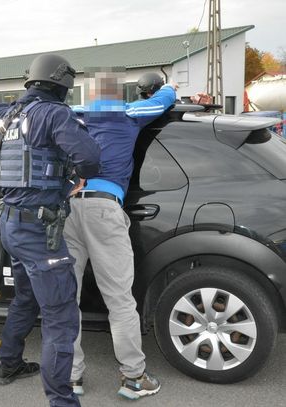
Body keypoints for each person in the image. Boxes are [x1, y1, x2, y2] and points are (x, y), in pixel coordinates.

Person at [0, 54, 100, 407]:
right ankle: (62, 402)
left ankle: (8, 364)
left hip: (12, 224)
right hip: (38, 232)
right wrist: (73, 175)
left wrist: (8, 108)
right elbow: (90, 158)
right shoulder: (55, 114)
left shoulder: (7, 116)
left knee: (25, 299)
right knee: (61, 319)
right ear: (61, 84)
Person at [63, 69, 177, 400]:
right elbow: (163, 99)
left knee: (67, 299)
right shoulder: (129, 113)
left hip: (68, 209)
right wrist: (170, 86)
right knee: (120, 300)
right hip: (103, 210)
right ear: (118, 93)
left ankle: (71, 378)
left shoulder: (73, 116)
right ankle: (133, 378)